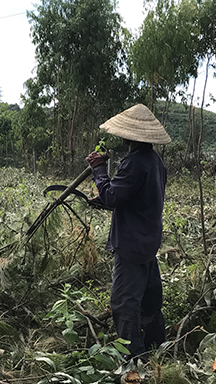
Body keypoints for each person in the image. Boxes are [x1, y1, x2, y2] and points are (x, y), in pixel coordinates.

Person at [85, 103, 170, 366]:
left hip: (132, 244)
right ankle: (157, 346)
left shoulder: (134, 162)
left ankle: (135, 361)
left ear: (129, 136)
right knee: (149, 299)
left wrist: (99, 170)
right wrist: (105, 198)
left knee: (123, 303)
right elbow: (134, 197)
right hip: (148, 241)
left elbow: (113, 195)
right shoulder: (155, 161)